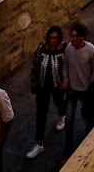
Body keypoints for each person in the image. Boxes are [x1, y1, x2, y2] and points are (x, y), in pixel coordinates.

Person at [26, 26, 67, 160]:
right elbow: (35, 64)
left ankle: (62, 114)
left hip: (58, 85)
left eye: (55, 38)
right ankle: (39, 143)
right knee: (41, 112)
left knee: (59, 102)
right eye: (50, 37)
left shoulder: (65, 48)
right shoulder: (42, 47)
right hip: (43, 85)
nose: (52, 40)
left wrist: (67, 80)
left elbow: (70, 65)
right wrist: (33, 80)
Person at [62, 23, 94, 156]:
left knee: (90, 117)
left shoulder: (91, 51)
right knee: (68, 120)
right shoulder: (68, 49)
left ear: (83, 38)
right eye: (71, 36)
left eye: (75, 37)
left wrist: (91, 89)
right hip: (72, 89)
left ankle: (88, 144)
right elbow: (65, 66)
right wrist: (66, 78)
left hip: (86, 91)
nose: (71, 39)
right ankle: (68, 148)